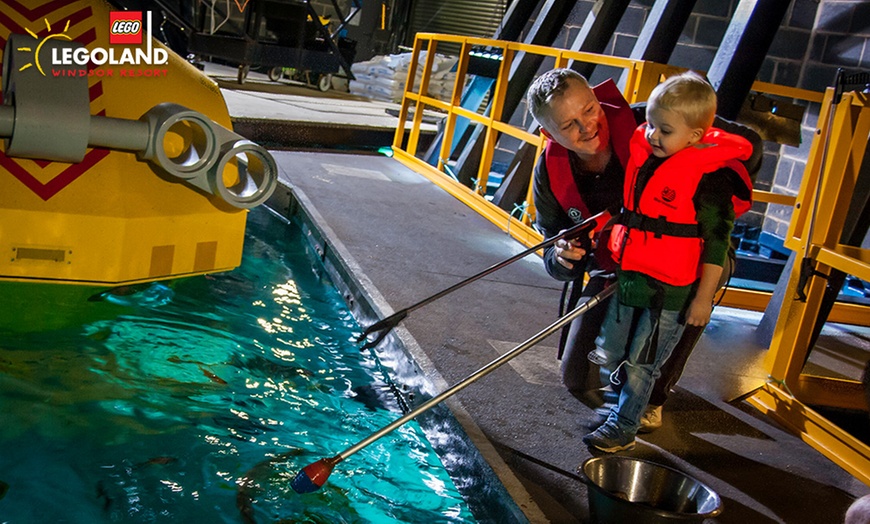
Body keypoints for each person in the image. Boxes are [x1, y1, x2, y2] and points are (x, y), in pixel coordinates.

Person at [528, 68, 749, 433]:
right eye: (568, 125)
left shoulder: (650, 122)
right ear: (547, 134)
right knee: (578, 379)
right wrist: (562, 257)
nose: (586, 127)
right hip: (616, 264)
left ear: (598, 100)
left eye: (589, 109)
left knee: (675, 310)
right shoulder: (548, 171)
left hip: (681, 260)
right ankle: (627, 371)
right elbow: (552, 243)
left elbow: (739, 139)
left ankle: (655, 392)